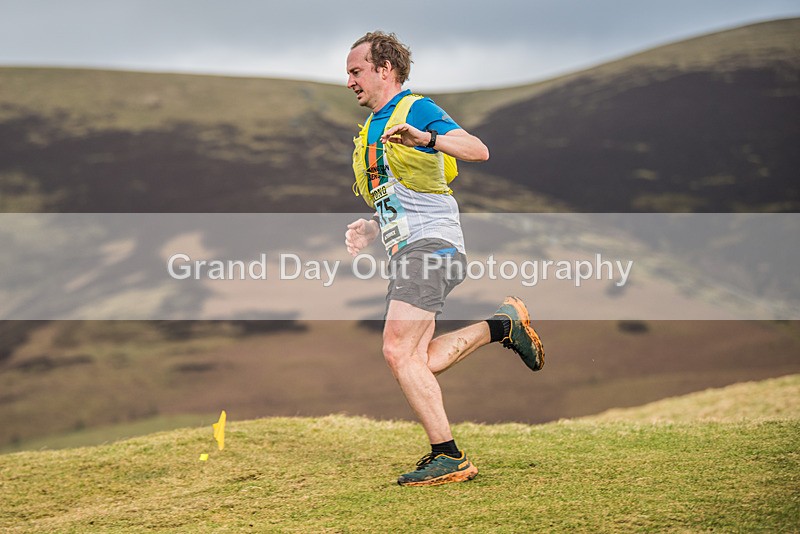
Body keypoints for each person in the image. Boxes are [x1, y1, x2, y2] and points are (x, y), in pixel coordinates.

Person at [344, 31, 544, 487]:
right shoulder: (372, 127)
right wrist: (373, 226)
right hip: (411, 251)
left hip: (431, 248)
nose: (350, 81)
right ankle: (503, 325)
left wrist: (427, 138)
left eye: (356, 71)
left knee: (397, 350)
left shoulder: (415, 108)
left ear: (384, 69)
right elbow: (405, 196)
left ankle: (448, 456)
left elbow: (478, 150)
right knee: (419, 360)